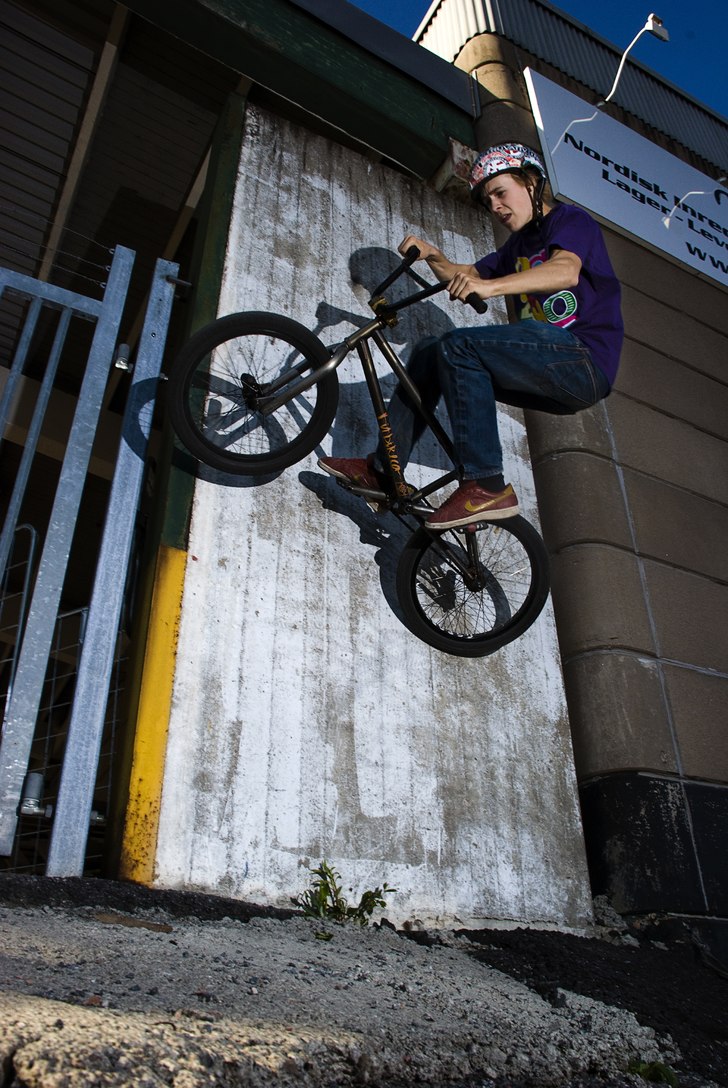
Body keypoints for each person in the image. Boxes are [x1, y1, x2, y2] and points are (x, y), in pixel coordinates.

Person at [319, 142, 623, 530]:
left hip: (583, 360)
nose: (495, 207)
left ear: (531, 183)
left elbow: (565, 271)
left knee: (458, 345)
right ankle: (383, 472)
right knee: (429, 352)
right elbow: (464, 275)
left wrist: (491, 288)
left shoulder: (570, 221)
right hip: (548, 368)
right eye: (488, 201)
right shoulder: (516, 248)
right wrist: (433, 256)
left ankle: (486, 484)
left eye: (501, 193)